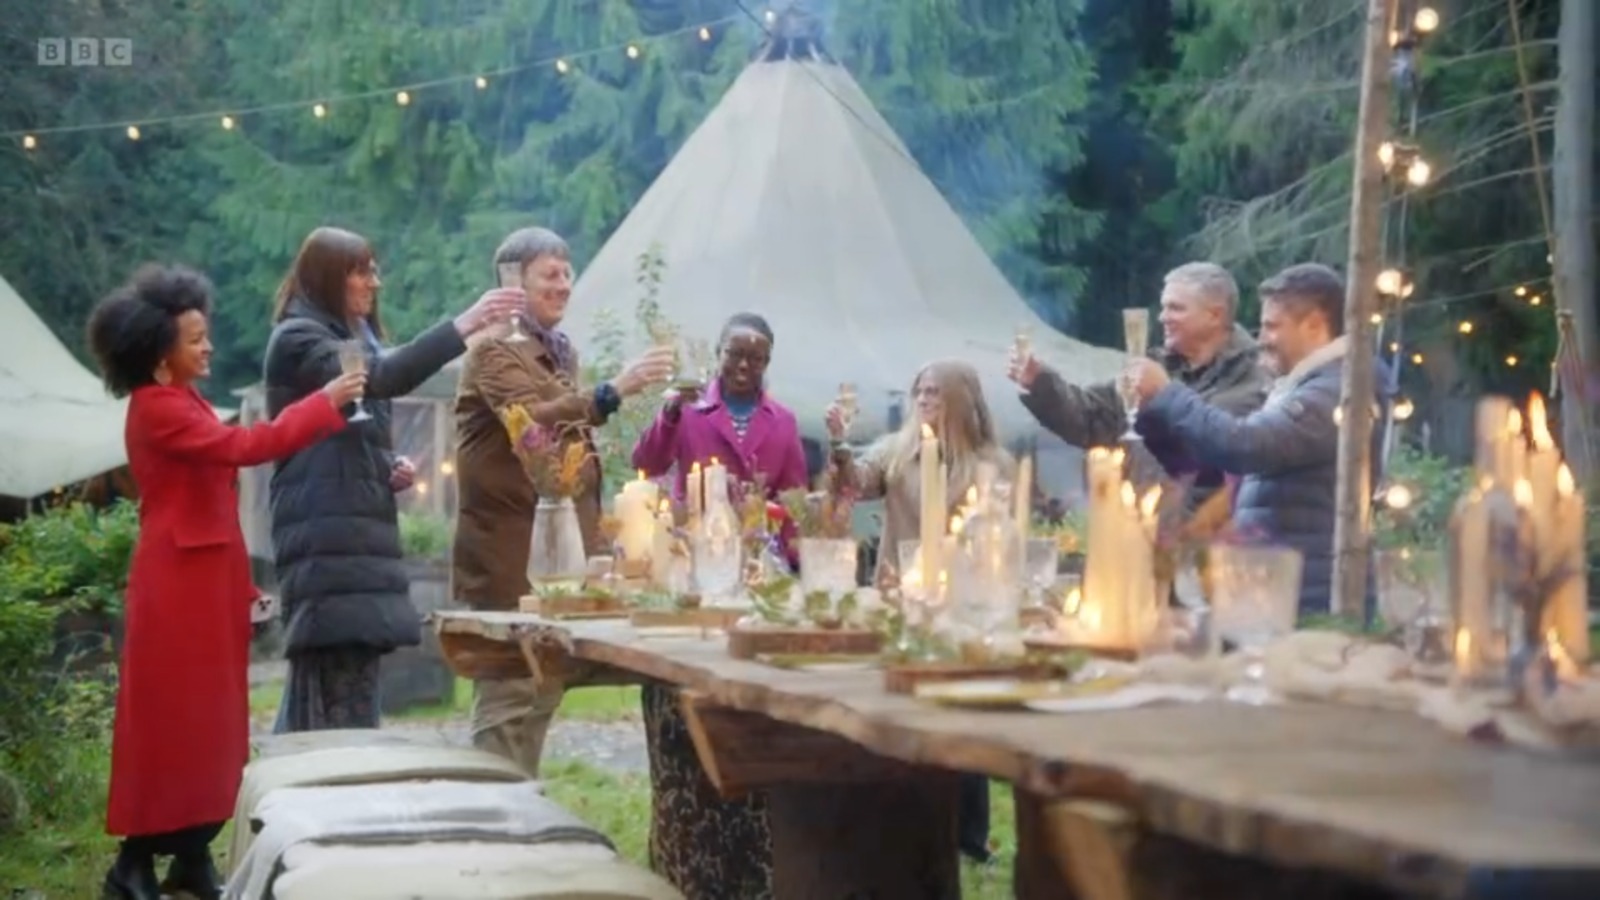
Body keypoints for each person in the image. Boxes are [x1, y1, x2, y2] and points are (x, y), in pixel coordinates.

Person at [87, 264, 365, 899]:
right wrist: (323, 404)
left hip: (205, 579)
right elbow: (245, 448)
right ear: (161, 359)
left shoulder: (180, 399)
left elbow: (212, 502)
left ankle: (191, 856)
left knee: (214, 728)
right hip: (176, 585)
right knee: (173, 727)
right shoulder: (158, 408)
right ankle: (133, 864)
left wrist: (242, 589)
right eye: (195, 339)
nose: (208, 346)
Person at [264, 226, 524, 733]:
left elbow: (340, 431)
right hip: (325, 533)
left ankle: (325, 789)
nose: (374, 282)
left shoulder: (353, 337)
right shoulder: (299, 339)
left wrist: (384, 465)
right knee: (326, 678)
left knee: (349, 675)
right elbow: (377, 378)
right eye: (361, 271)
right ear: (328, 277)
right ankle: (311, 794)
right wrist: (467, 323)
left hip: (351, 530)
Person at [452, 225, 673, 776]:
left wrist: (600, 539)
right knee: (507, 700)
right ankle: (488, 823)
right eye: (550, 274)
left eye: (568, 273)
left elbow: (567, 452)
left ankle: (520, 820)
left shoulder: (556, 353)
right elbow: (533, 420)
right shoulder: (491, 352)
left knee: (542, 691)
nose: (565, 285)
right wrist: (611, 392)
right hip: (508, 557)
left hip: (554, 555)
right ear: (512, 282)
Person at [630, 312, 809, 897]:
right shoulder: (690, 412)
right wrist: (667, 413)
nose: (742, 366)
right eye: (734, 354)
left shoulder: (781, 422)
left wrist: (795, 561)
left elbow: (796, 502)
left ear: (767, 365)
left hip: (756, 568)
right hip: (695, 567)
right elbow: (648, 464)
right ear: (718, 354)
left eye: (754, 358)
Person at [826, 359, 1012, 864]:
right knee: (898, 708)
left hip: (962, 605)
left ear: (962, 402)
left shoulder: (990, 464)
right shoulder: (898, 451)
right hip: (897, 599)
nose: (925, 400)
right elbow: (855, 483)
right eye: (919, 392)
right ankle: (902, 819)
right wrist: (842, 450)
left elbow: (1000, 535)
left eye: (935, 392)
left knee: (960, 715)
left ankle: (969, 835)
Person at [1127, 262, 1389, 615]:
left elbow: (1244, 446)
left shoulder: (1336, 392)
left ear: (1314, 324)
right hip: (1284, 592)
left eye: (1272, 326)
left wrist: (1168, 393)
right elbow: (1219, 462)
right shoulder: (1310, 386)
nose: (1262, 338)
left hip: (1310, 603)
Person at [1009, 262, 1270, 512]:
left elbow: (1208, 453)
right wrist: (1040, 383)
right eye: (1163, 307)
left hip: (1205, 541)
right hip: (1140, 530)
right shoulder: (1159, 365)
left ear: (1215, 314)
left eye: (1176, 308)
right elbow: (1092, 419)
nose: (1162, 317)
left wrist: (1164, 394)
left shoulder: (1253, 379)